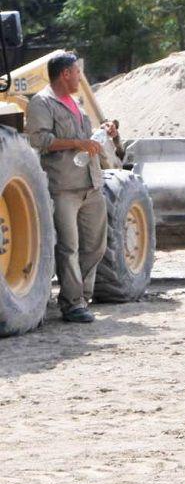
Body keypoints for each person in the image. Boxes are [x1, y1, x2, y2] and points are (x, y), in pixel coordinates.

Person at [24, 52, 120, 324]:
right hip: (63, 186)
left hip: (91, 184)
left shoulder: (76, 103)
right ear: (65, 74)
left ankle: (82, 296)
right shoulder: (42, 103)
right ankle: (72, 303)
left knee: (96, 246)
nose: (80, 77)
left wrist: (101, 133)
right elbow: (40, 140)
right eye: (77, 72)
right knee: (69, 247)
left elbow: (83, 140)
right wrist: (77, 143)